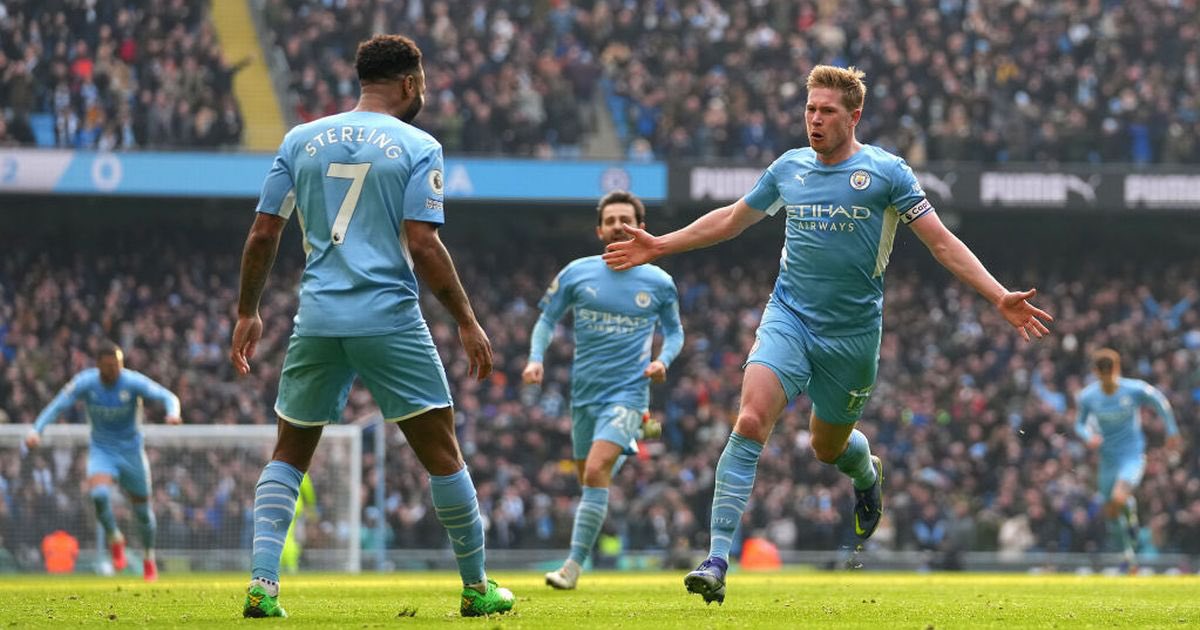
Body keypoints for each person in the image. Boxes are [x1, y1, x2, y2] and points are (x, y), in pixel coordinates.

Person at [604, 65, 1053, 604]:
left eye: (827, 111)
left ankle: (866, 474)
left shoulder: (887, 173)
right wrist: (660, 245)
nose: (814, 119)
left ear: (853, 117)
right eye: (810, 109)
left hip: (853, 337)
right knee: (750, 420)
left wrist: (997, 295)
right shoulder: (788, 168)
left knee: (827, 447)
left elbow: (941, 242)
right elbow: (732, 219)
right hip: (789, 317)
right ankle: (717, 559)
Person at [231, 34, 513, 618]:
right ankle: (477, 588)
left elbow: (263, 233)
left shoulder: (300, 139)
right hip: (388, 317)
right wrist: (466, 320)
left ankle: (262, 585)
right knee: (442, 452)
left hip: (317, 317)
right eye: (423, 84)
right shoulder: (419, 145)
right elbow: (423, 243)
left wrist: (247, 311)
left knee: (290, 451)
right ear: (409, 83)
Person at [523, 190, 684, 590]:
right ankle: (631, 439)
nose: (617, 226)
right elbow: (546, 320)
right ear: (599, 230)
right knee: (590, 480)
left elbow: (675, 332)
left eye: (624, 220)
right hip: (584, 396)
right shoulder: (576, 274)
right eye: (610, 220)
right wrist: (536, 358)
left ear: (640, 228)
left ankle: (572, 568)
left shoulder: (659, 282)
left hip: (628, 392)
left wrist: (663, 361)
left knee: (596, 470)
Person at [25, 341, 182, 582]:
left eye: (118, 364)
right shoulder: (86, 382)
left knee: (143, 513)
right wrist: (37, 429)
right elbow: (57, 405)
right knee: (98, 495)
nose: (114, 369)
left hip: (131, 452)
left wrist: (173, 413)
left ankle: (149, 558)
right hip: (102, 450)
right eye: (109, 365)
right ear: (98, 365)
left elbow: (168, 396)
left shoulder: (132, 381)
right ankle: (114, 537)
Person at [1074, 348, 1181, 568]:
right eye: (1103, 375)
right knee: (1111, 510)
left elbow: (1160, 401)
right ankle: (1127, 555)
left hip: (1132, 456)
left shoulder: (1133, 389)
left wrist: (1171, 430)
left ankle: (1129, 514)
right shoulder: (1088, 397)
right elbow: (1079, 424)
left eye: (1111, 374)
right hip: (1107, 459)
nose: (1108, 379)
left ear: (1117, 369)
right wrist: (1088, 437)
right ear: (1096, 373)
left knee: (1118, 497)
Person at [280, 473, 316, 574]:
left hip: (278, 506)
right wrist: (311, 506)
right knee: (290, 537)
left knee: (281, 535)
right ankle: (291, 565)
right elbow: (308, 491)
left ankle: (280, 564)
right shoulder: (300, 470)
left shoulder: (277, 469)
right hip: (294, 506)